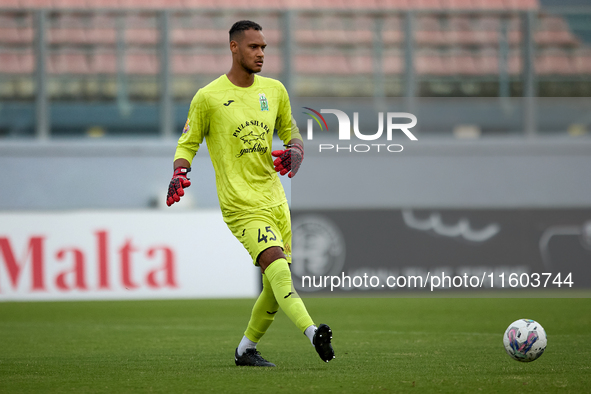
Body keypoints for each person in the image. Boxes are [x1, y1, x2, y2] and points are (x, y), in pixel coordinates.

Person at [165, 20, 334, 367]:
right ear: (234, 47)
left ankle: (246, 350)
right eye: (254, 47)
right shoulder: (208, 97)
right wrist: (179, 171)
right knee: (276, 264)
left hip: (276, 200)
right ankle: (312, 332)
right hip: (241, 205)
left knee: (275, 284)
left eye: (264, 48)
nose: (261, 54)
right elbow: (188, 143)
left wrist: (297, 152)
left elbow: (292, 133)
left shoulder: (274, 90)